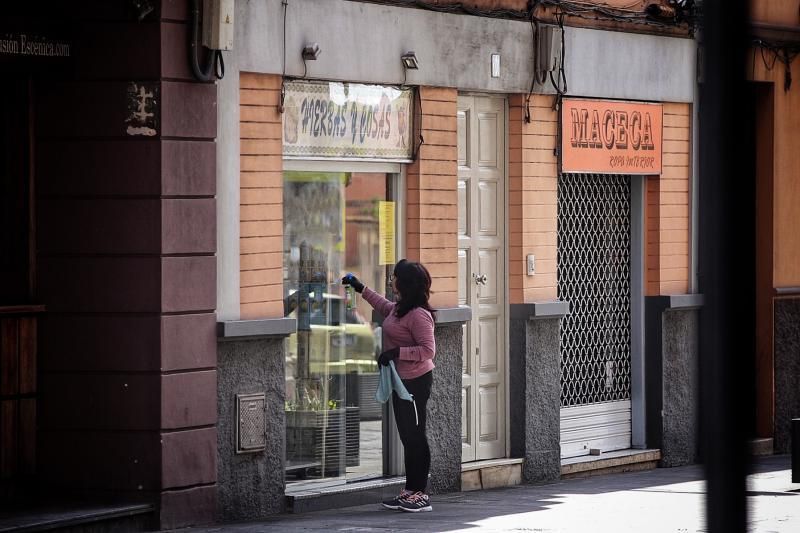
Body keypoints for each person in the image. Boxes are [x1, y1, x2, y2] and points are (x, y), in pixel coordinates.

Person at [342, 259, 436, 513]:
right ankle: (409, 491)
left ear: (403, 282)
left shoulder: (418, 315)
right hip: (401, 381)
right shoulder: (400, 309)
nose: (391, 280)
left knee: (416, 436)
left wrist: (396, 353)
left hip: (416, 382)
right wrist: (360, 288)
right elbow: (384, 307)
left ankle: (420, 494)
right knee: (407, 436)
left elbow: (428, 350)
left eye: (394, 276)